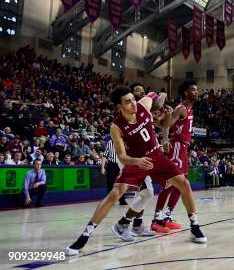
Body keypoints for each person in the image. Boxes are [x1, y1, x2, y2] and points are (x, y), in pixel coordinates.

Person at [65, 86, 206, 256]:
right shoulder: (116, 127)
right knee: (115, 194)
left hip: (157, 156)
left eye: (133, 99)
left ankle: (195, 226)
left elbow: (160, 95)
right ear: (119, 107)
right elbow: (122, 157)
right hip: (136, 161)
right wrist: (137, 161)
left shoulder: (144, 104)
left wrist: (162, 109)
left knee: (184, 183)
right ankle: (84, 237)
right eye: (127, 101)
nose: (133, 104)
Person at [152, 80, 198, 232]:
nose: (196, 92)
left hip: (183, 147)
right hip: (177, 146)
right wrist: (165, 139)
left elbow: (162, 123)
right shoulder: (181, 108)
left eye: (196, 90)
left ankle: (166, 216)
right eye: (193, 89)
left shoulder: (190, 109)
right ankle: (157, 219)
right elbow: (166, 125)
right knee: (170, 183)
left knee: (182, 183)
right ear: (186, 92)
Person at [112, 84, 158, 238]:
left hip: (141, 159)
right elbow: (122, 153)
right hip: (130, 160)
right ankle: (122, 224)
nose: (141, 92)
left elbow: (157, 95)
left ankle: (137, 224)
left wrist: (159, 109)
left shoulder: (143, 109)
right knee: (147, 193)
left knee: (145, 193)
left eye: (141, 91)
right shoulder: (120, 123)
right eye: (137, 90)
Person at [101, 138, 128, 205]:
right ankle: (111, 200)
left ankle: (122, 199)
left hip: (121, 164)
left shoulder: (123, 143)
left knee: (122, 182)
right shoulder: (109, 143)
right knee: (111, 183)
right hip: (111, 165)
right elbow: (105, 156)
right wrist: (103, 167)